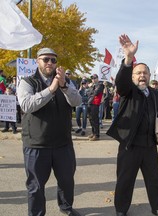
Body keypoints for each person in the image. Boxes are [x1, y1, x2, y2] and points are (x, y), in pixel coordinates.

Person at [106, 34, 158, 216]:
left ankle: (157, 207)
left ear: (149, 76)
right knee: (125, 179)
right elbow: (121, 82)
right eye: (138, 73)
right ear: (133, 76)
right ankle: (121, 210)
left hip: (149, 145)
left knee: (154, 179)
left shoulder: (155, 94)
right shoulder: (128, 90)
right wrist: (128, 59)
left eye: (145, 73)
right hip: (129, 145)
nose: (142, 76)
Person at [17, 47, 82, 216]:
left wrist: (64, 86)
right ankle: (37, 213)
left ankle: (66, 207)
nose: (50, 63)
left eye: (53, 60)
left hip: (63, 144)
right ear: (37, 61)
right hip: (37, 144)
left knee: (67, 180)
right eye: (46, 59)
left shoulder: (65, 81)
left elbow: (77, 101)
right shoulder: (27, 82)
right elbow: (27, 105)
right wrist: (51, 89)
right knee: (36, 185)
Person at [87, 74, 104, 141]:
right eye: (92, 78)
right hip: (90, 103)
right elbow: (88, 93)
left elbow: (96, 93)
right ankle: (93, 133)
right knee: (91, 119)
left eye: (94, 78)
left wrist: (91, 90)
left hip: (95, 104)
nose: (93, 79)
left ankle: (97, 135)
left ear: (97, 78)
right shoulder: (93, 86)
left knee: (95, 120)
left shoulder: (100, 85)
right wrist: (91, 90)